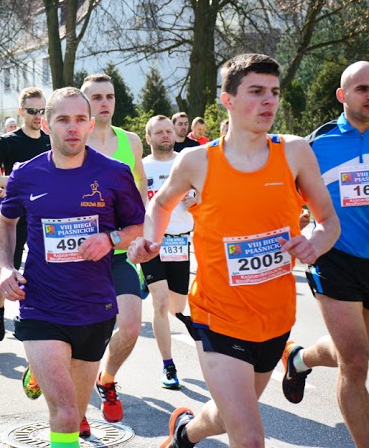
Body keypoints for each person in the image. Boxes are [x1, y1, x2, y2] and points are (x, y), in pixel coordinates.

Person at [128, 53, 340, 448]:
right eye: (256, 91)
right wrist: (151, 241)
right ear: (227, 100)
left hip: (275, 317)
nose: (269, 101)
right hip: (218, 315)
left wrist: (314, 243)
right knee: (250, 437)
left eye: (274, 92)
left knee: (228, 416)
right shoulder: (197, 160)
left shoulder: (294, 152)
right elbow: (160, 205)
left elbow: (328, 222)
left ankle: (184, 434)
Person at [0, 87, 144, 448]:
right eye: (63, 119)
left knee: (76, 416)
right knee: (63, 414)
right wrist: (3, 267)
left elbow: (138, 226)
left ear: (91, 124)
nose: (72, 127)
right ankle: (44, 364)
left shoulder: (115, 173)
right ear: (46, 125)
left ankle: (46, 373)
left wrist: (111, 239)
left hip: (94, 307)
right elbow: (5, 221)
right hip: (41, 305)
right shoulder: (25, 174)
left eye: (80, 119)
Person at [281, 61, 369, 447]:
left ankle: (299, 359)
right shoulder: (316, 145)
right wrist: (301, 230)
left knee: (359, 348)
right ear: (342, 95)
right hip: (336, 257)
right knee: (356, 362)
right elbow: (284, 201)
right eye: (362, 89)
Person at [80, 73, 148, 425]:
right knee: (84, 332)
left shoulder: (131, 141)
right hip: (82, 255)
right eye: (96, 97)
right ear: (85, 102)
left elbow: (139, 182)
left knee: (131, 326)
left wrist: (142, 229)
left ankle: (106, 378)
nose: (104, 103)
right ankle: (75, 410)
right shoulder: (75, 140)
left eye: (109, 96)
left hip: (120, 251)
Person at [0, 87, 51, 341]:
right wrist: (14, 180)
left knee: (45, 266)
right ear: (21, 112)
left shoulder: (50, 140)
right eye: (32, 111)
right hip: (15, 215)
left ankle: (33, 315)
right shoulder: (8, 142)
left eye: (42, 111)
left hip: (45, 214)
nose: (38, 116)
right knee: (9, 265)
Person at [142, 115, 195, 389]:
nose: (165, 135)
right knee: (160, 302)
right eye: (159, 132)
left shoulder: (186, 164)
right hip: (152, 243)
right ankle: (168, 365)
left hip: (180, 242)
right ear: (148, 138)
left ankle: (145, 282)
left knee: (177, 307)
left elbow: (206, 197)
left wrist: (196, 198)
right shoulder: (141, 167)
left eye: (168, 131)